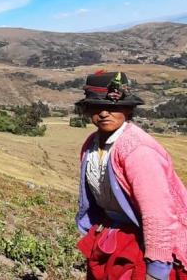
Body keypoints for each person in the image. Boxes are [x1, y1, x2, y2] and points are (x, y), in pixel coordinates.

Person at [74, 70, 187, 280]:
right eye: (97, 107)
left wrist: (157, 269)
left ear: (128, 109)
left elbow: (158, 213)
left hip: (143, 243)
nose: (105, 113)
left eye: (113, 107)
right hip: (113, 234)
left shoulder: (137, 150)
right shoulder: (91, 144)